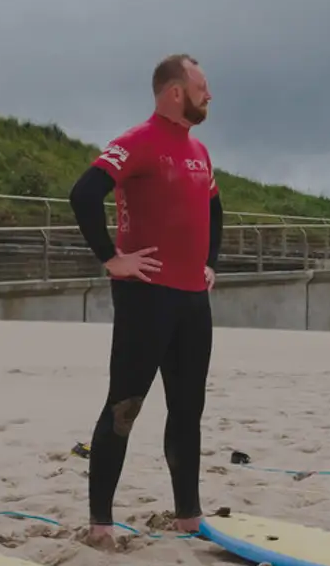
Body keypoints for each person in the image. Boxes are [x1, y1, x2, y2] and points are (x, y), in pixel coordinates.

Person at [68, 54, 223, 540]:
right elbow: (84, 194)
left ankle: (188, 515)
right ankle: (100, 523)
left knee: (187, 409)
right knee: (125, 406)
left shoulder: (199, 150)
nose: (209, 94)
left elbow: (215, 209)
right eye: (202, 86)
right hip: (146, 298)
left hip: (193, 301)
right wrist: (111, 257)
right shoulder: (136, 142)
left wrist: (210, 263)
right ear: (175, 91)